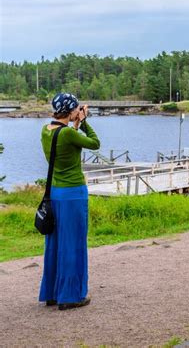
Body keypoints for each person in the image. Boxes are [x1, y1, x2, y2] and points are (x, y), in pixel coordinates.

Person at [39, 92, 100, 310]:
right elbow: (95, 143)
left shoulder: (46, 131)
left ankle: (53, 293)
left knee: (55, 244)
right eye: (76, 109)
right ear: (72, 110)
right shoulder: (69, 133)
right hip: (73, 193)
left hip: (55, 193)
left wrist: (74, 124)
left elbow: (65, 140)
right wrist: (84, 122)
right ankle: (71, 296)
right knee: (73, 243)